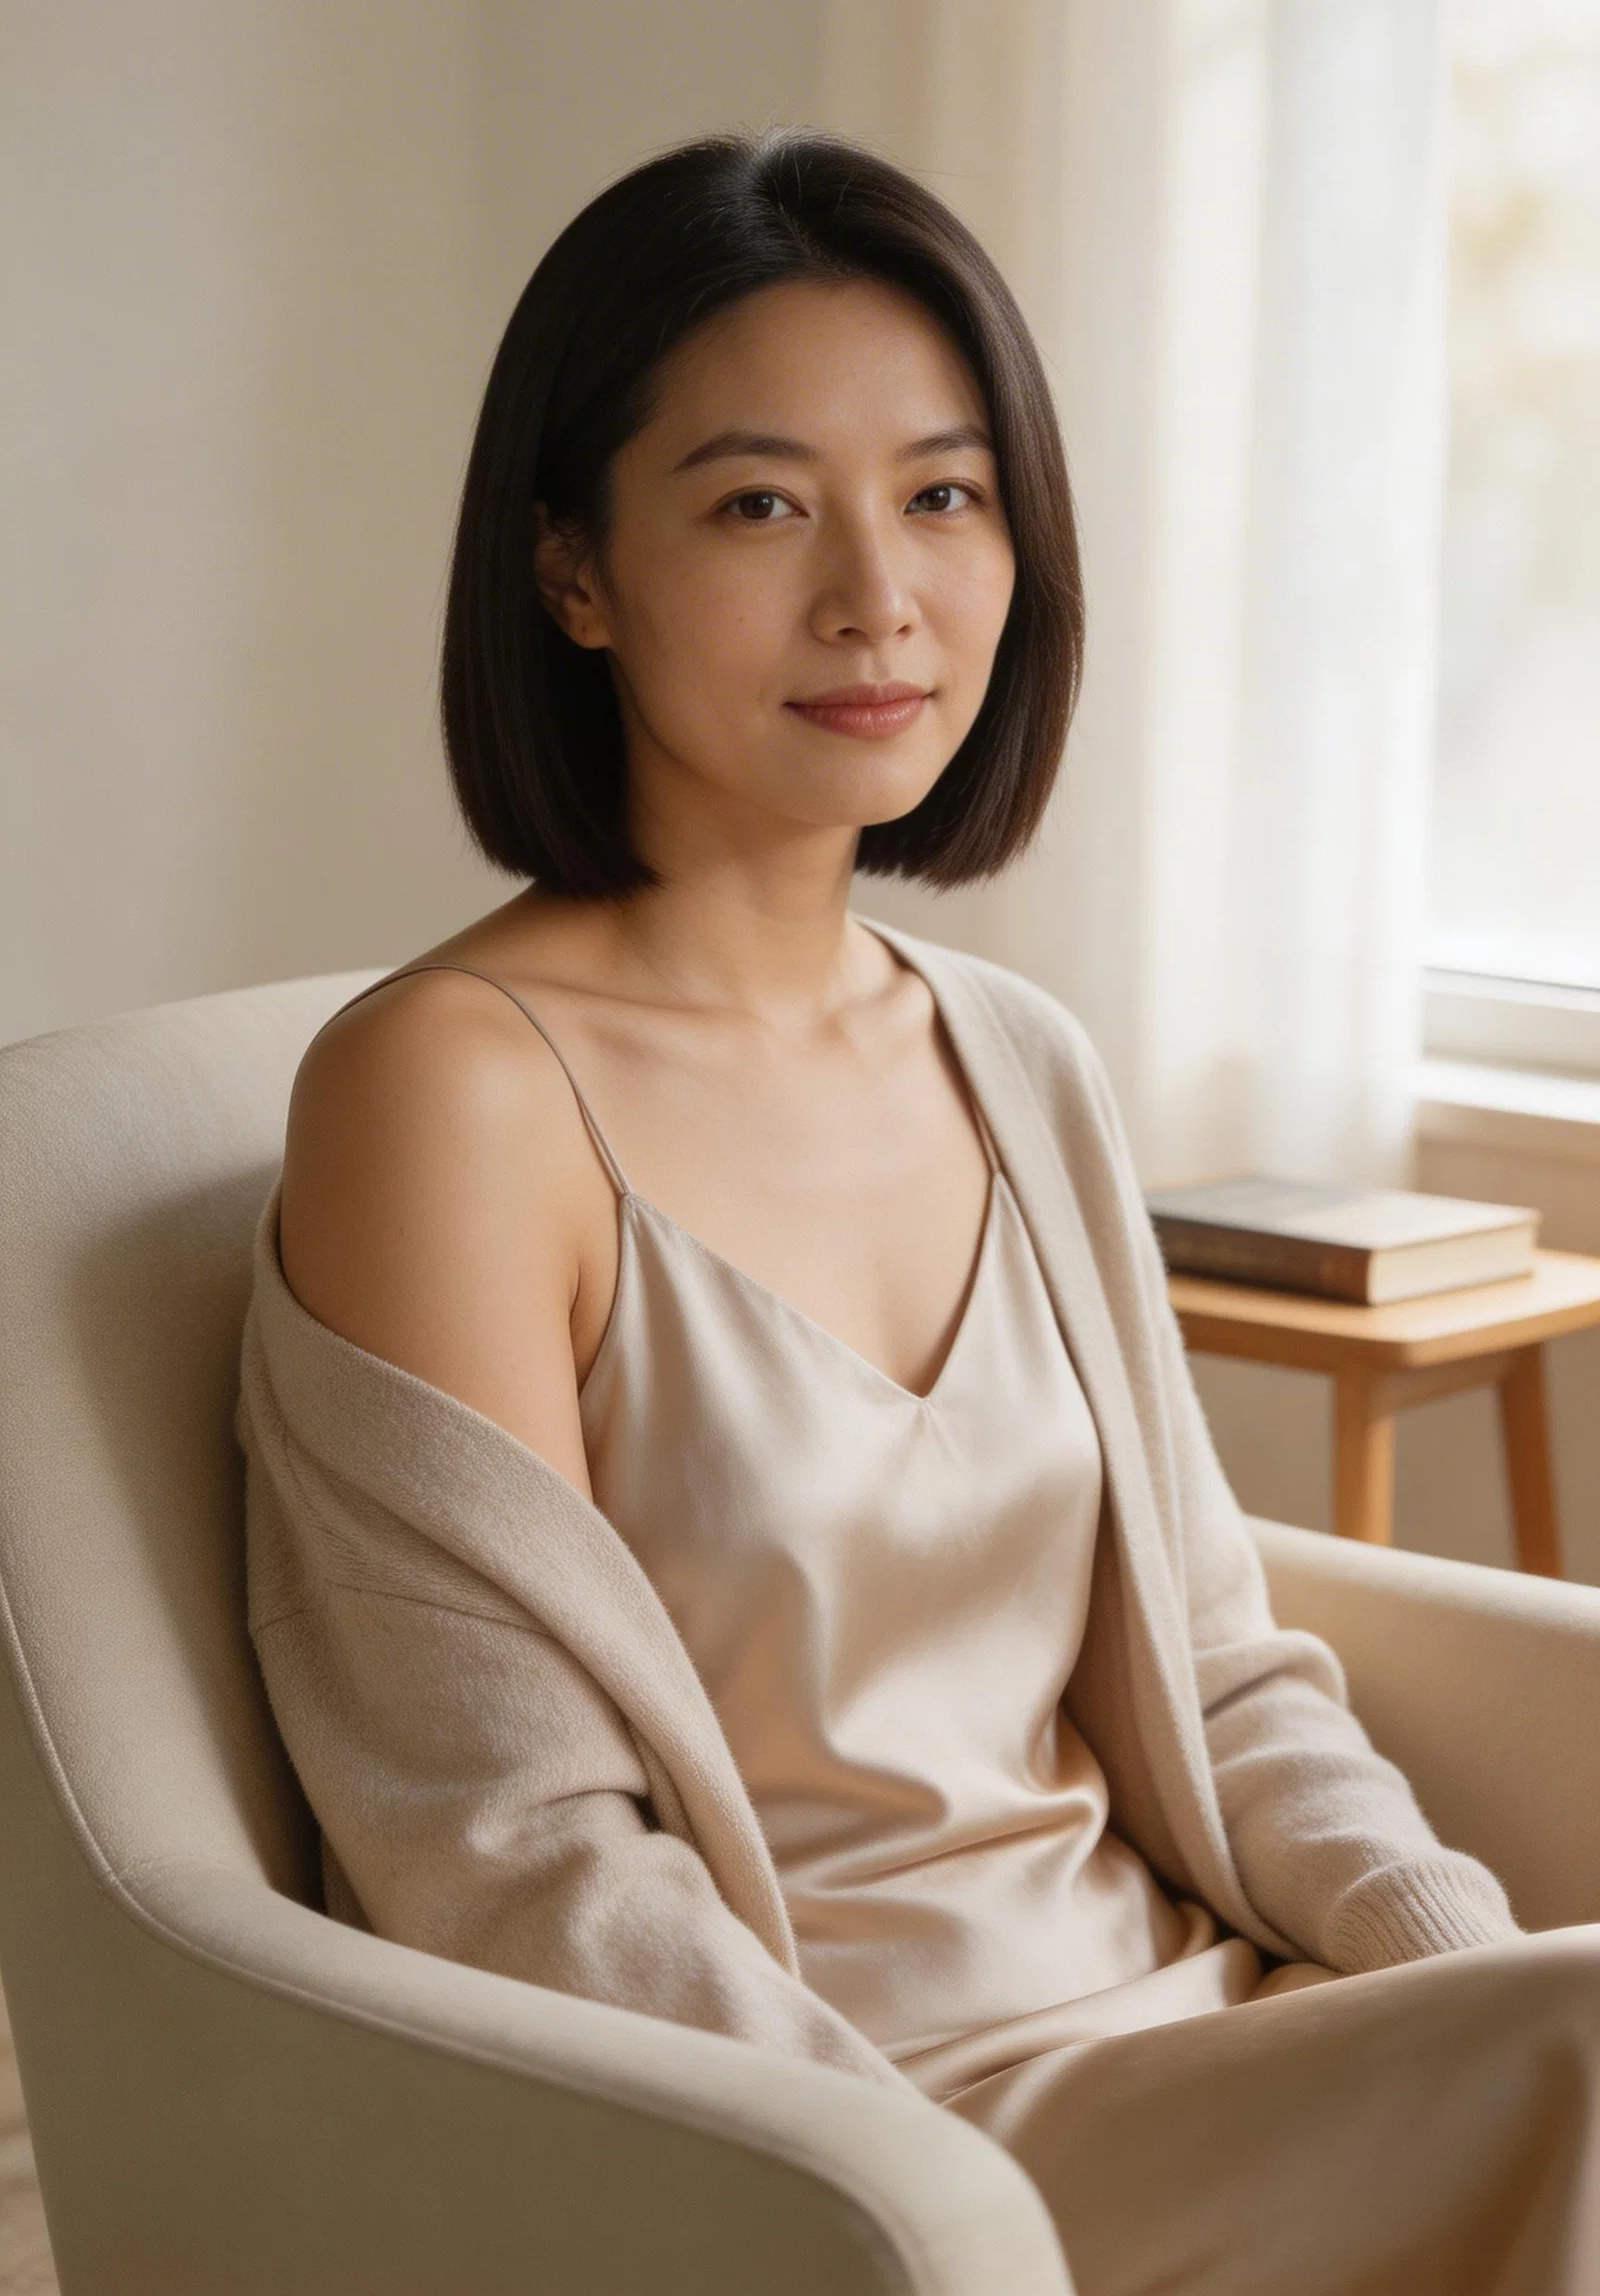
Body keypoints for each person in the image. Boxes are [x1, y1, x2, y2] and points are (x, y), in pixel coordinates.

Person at [246, 130, 1600, 2296]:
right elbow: (511, 1856)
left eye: (945, 496)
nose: (877, 593)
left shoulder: (1013, 1058)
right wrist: (894, 2208)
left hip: (1211, 2047)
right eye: (759, 505)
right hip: (858, 2152)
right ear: (572, 572)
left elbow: (1221, 1674)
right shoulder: (451, 1100)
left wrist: (1456, 1978)